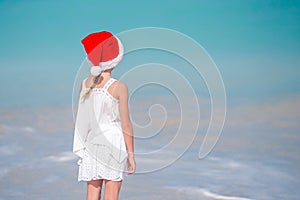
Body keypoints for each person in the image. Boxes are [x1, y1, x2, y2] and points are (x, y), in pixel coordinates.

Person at [73, 31, 136, 200]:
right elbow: (126, 125)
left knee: (92, 195)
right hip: (113, 145)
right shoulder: (118, 87)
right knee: (111, 195)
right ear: (116, 58)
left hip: (92, 145)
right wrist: (131, 154)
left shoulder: (84, 85)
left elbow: (83, 121)